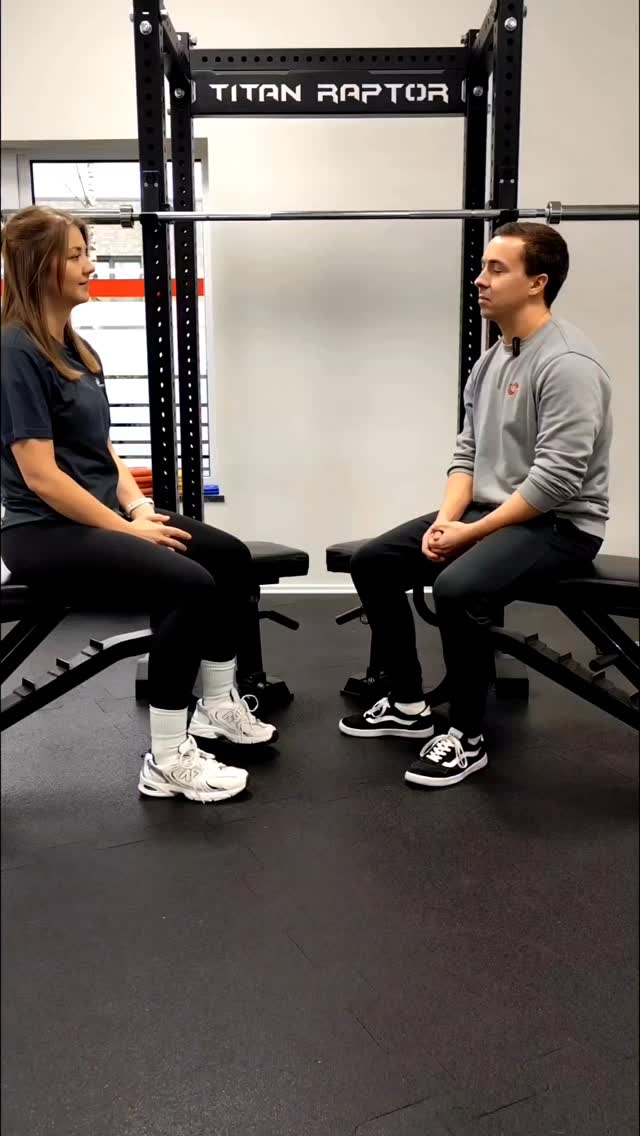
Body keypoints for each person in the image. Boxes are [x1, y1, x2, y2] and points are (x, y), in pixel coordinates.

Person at [1, 205, 278, 804]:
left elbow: (104, 450)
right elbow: (41, 476)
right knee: (188, 584)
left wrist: (137, 510)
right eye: (76, 255)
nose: (90, 266)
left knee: (228, 557)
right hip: (42, 533)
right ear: (39, 266)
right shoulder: (15, 351)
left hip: (100, 519)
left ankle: (216, 706)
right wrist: (127, 532)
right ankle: (168, 758)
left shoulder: (75, 349)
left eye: (87, 253)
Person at [339, 222, 612, 789]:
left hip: (560, 526)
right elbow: (466, 454)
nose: (479, 280)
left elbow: (557, 481)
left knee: (458, 589)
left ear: (537, 283)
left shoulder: (568, 364)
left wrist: (470, 534)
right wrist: (446, 520)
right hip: (490, 514)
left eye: (496, 269)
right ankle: (407, 704)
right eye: (483, 267)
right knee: (374, 562)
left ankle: (466, 736)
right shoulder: (493, 359)